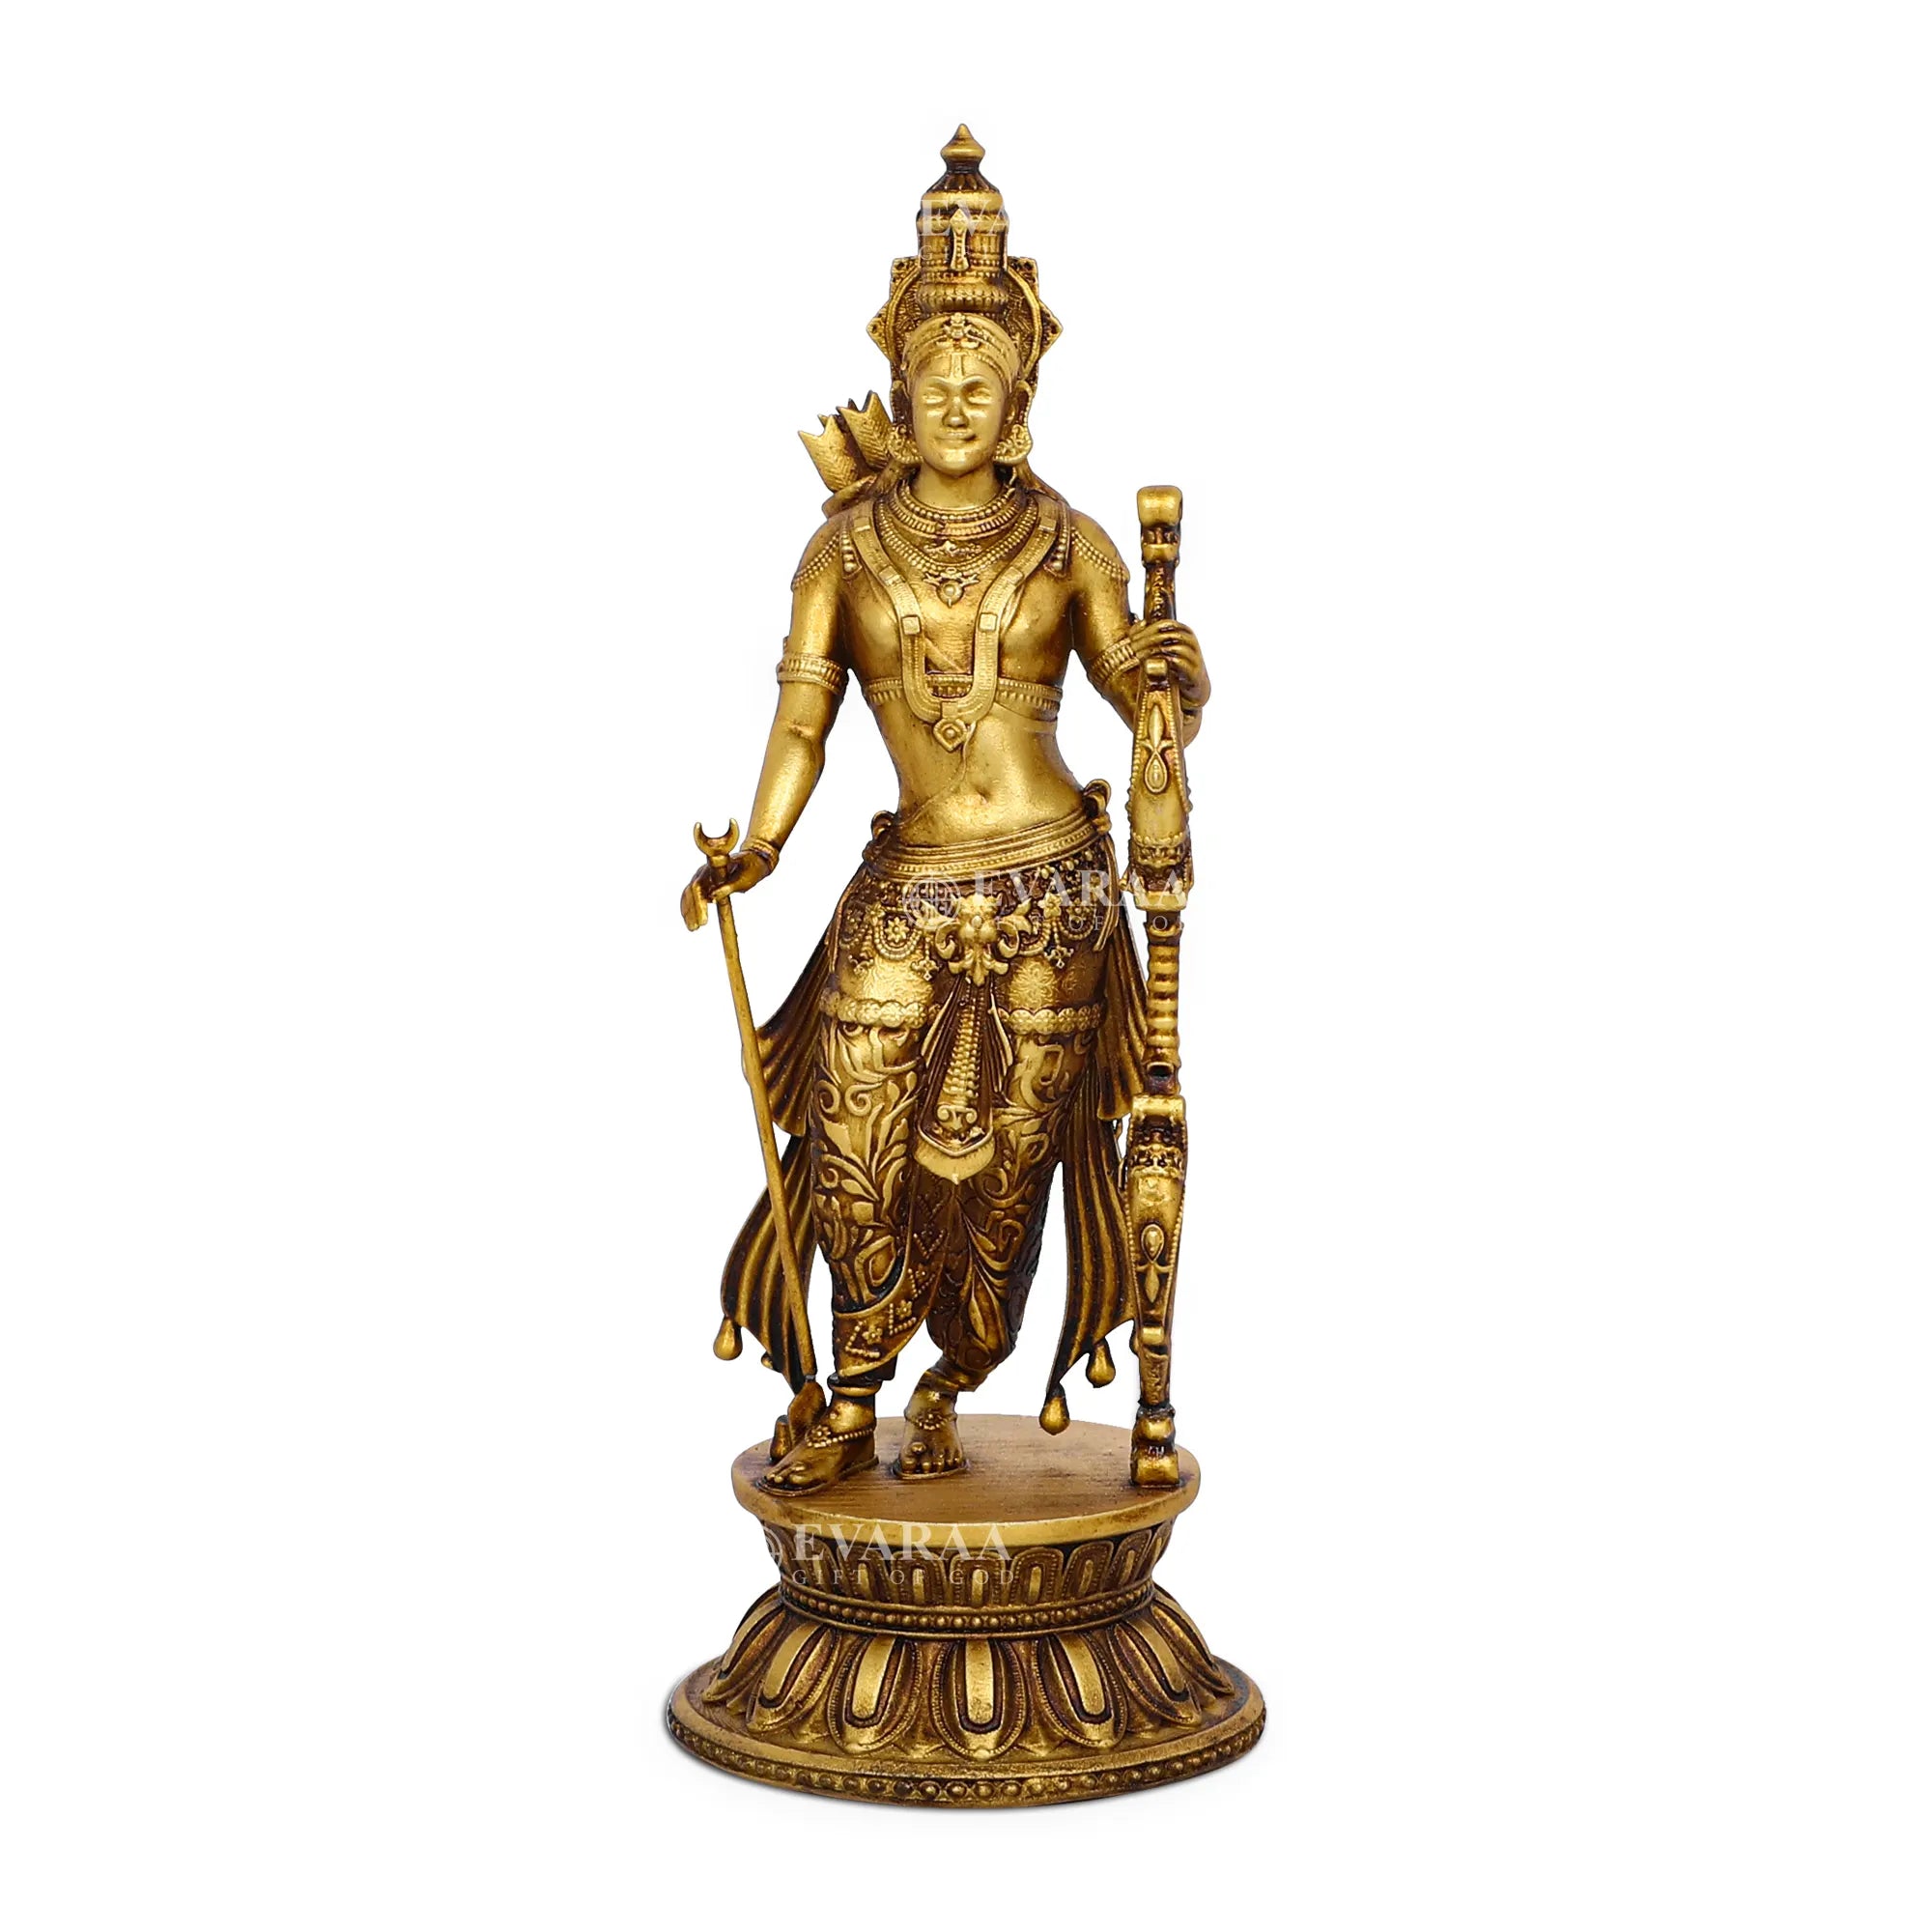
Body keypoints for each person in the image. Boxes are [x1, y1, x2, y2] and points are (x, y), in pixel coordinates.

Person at [681, 129, 1210, 1494]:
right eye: (934, 380)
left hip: (1053, 890)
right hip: (906, 884)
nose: (957, 402)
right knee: (855, 1130)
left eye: (983, 380)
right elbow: (802, 720)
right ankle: (850, 1389)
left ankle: (956, 1373)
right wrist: (758, 847)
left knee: (1000, 1173)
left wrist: (1174, 676)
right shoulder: (841, 550)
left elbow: (1136, 692)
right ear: (901, 393)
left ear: (1020, 394)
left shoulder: (1072, 542)